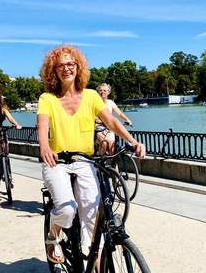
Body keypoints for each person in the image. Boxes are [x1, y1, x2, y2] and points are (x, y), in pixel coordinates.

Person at [37, 44, 145, 264]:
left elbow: (111, 121)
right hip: (57, 162)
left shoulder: (91, 96)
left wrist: (132, 141)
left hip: (85, 161)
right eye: (61, 65)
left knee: (91, 214)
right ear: (53, 70)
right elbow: (42, 126)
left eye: (71, 64)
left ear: (78, 67)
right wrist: (44, 147)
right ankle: (53, 234)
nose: (67, 68)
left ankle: (90, 259)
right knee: (67, 210)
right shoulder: (47, 98)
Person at [94, 83, 133, 154]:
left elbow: (119, 113)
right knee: (104, 144)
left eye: (105, 90)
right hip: (99, 128)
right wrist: (99, 120)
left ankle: (114, 164)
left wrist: (127, 119)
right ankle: (100, 162)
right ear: (98, 92)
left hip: (109, 127)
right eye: (100, 90)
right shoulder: (95, 102)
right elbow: (94, 117)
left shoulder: (110, 102)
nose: (103, 92)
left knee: (112, 148)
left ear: (108, 92)